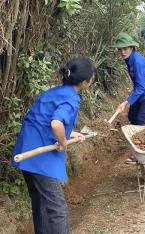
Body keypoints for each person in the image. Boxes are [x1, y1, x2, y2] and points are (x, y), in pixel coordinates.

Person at [11, 57, 96, 234]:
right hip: (40, 158)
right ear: (85, 82)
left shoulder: (55, 92)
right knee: (58, 209)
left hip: (27, 150)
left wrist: (71, 133)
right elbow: (55, 123)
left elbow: (44, 118)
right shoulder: (71, 98)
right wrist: (63, 142)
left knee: (40, 203)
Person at [112, 32, 145, 126]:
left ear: (131, 47)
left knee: (140, 119)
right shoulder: (129, 59)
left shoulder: (137, 61)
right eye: (120, 49)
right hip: (141, 88)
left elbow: (141, 87)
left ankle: (143, 139)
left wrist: (126, 102)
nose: (122, 52)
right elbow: (138, 82)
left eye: (125, 49)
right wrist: (131, 99)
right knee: (132, 116)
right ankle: (135, 135)